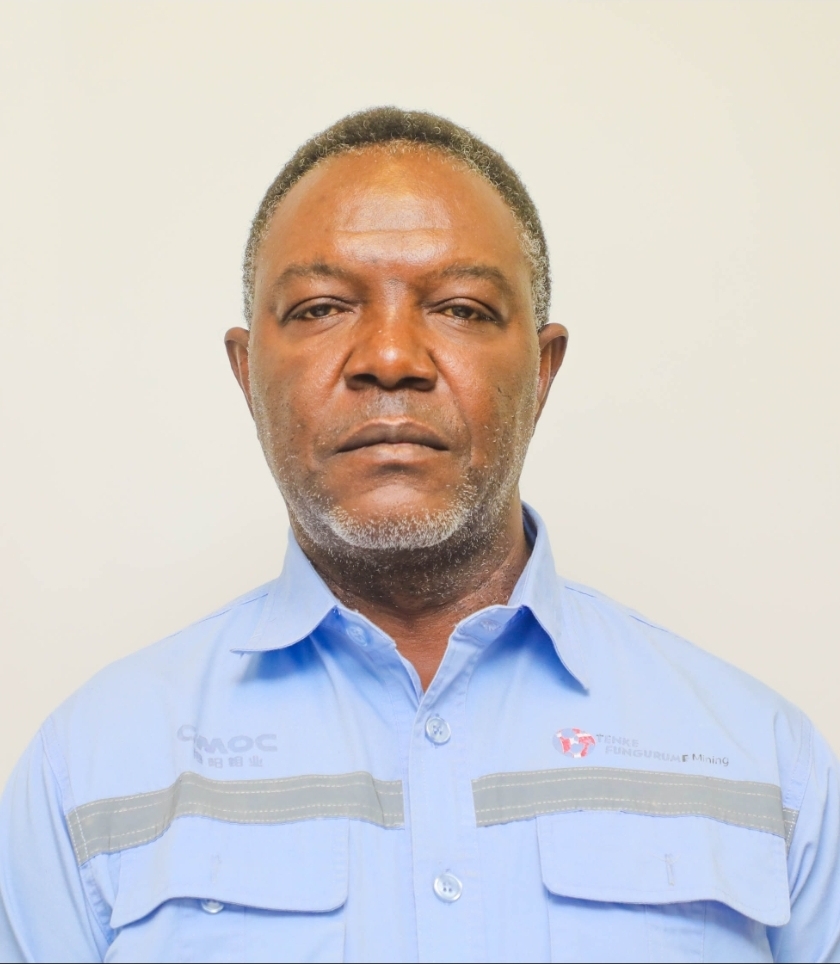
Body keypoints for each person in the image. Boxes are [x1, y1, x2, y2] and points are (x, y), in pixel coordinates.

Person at [0, 107, 837, 964]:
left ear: (542, 371)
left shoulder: (766, 763)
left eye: (461, 308)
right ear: (246, 373)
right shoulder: (89, 774)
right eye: (322, 307)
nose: (391, 358)